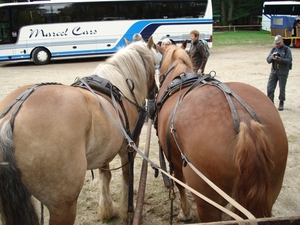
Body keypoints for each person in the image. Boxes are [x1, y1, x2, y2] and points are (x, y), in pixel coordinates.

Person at [266, 35, 292, 111]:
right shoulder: (274, 49)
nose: (277, 45)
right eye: (276, 43)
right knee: (270, 88)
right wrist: (272, 58)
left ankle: (281, 102)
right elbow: (268, 60)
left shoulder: (287, 50)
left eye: (279, 43)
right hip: (274, 71)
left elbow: (289, 60)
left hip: (283, 72)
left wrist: (281, 59)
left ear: (282, 41)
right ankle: (271, 102)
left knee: (282, 88)